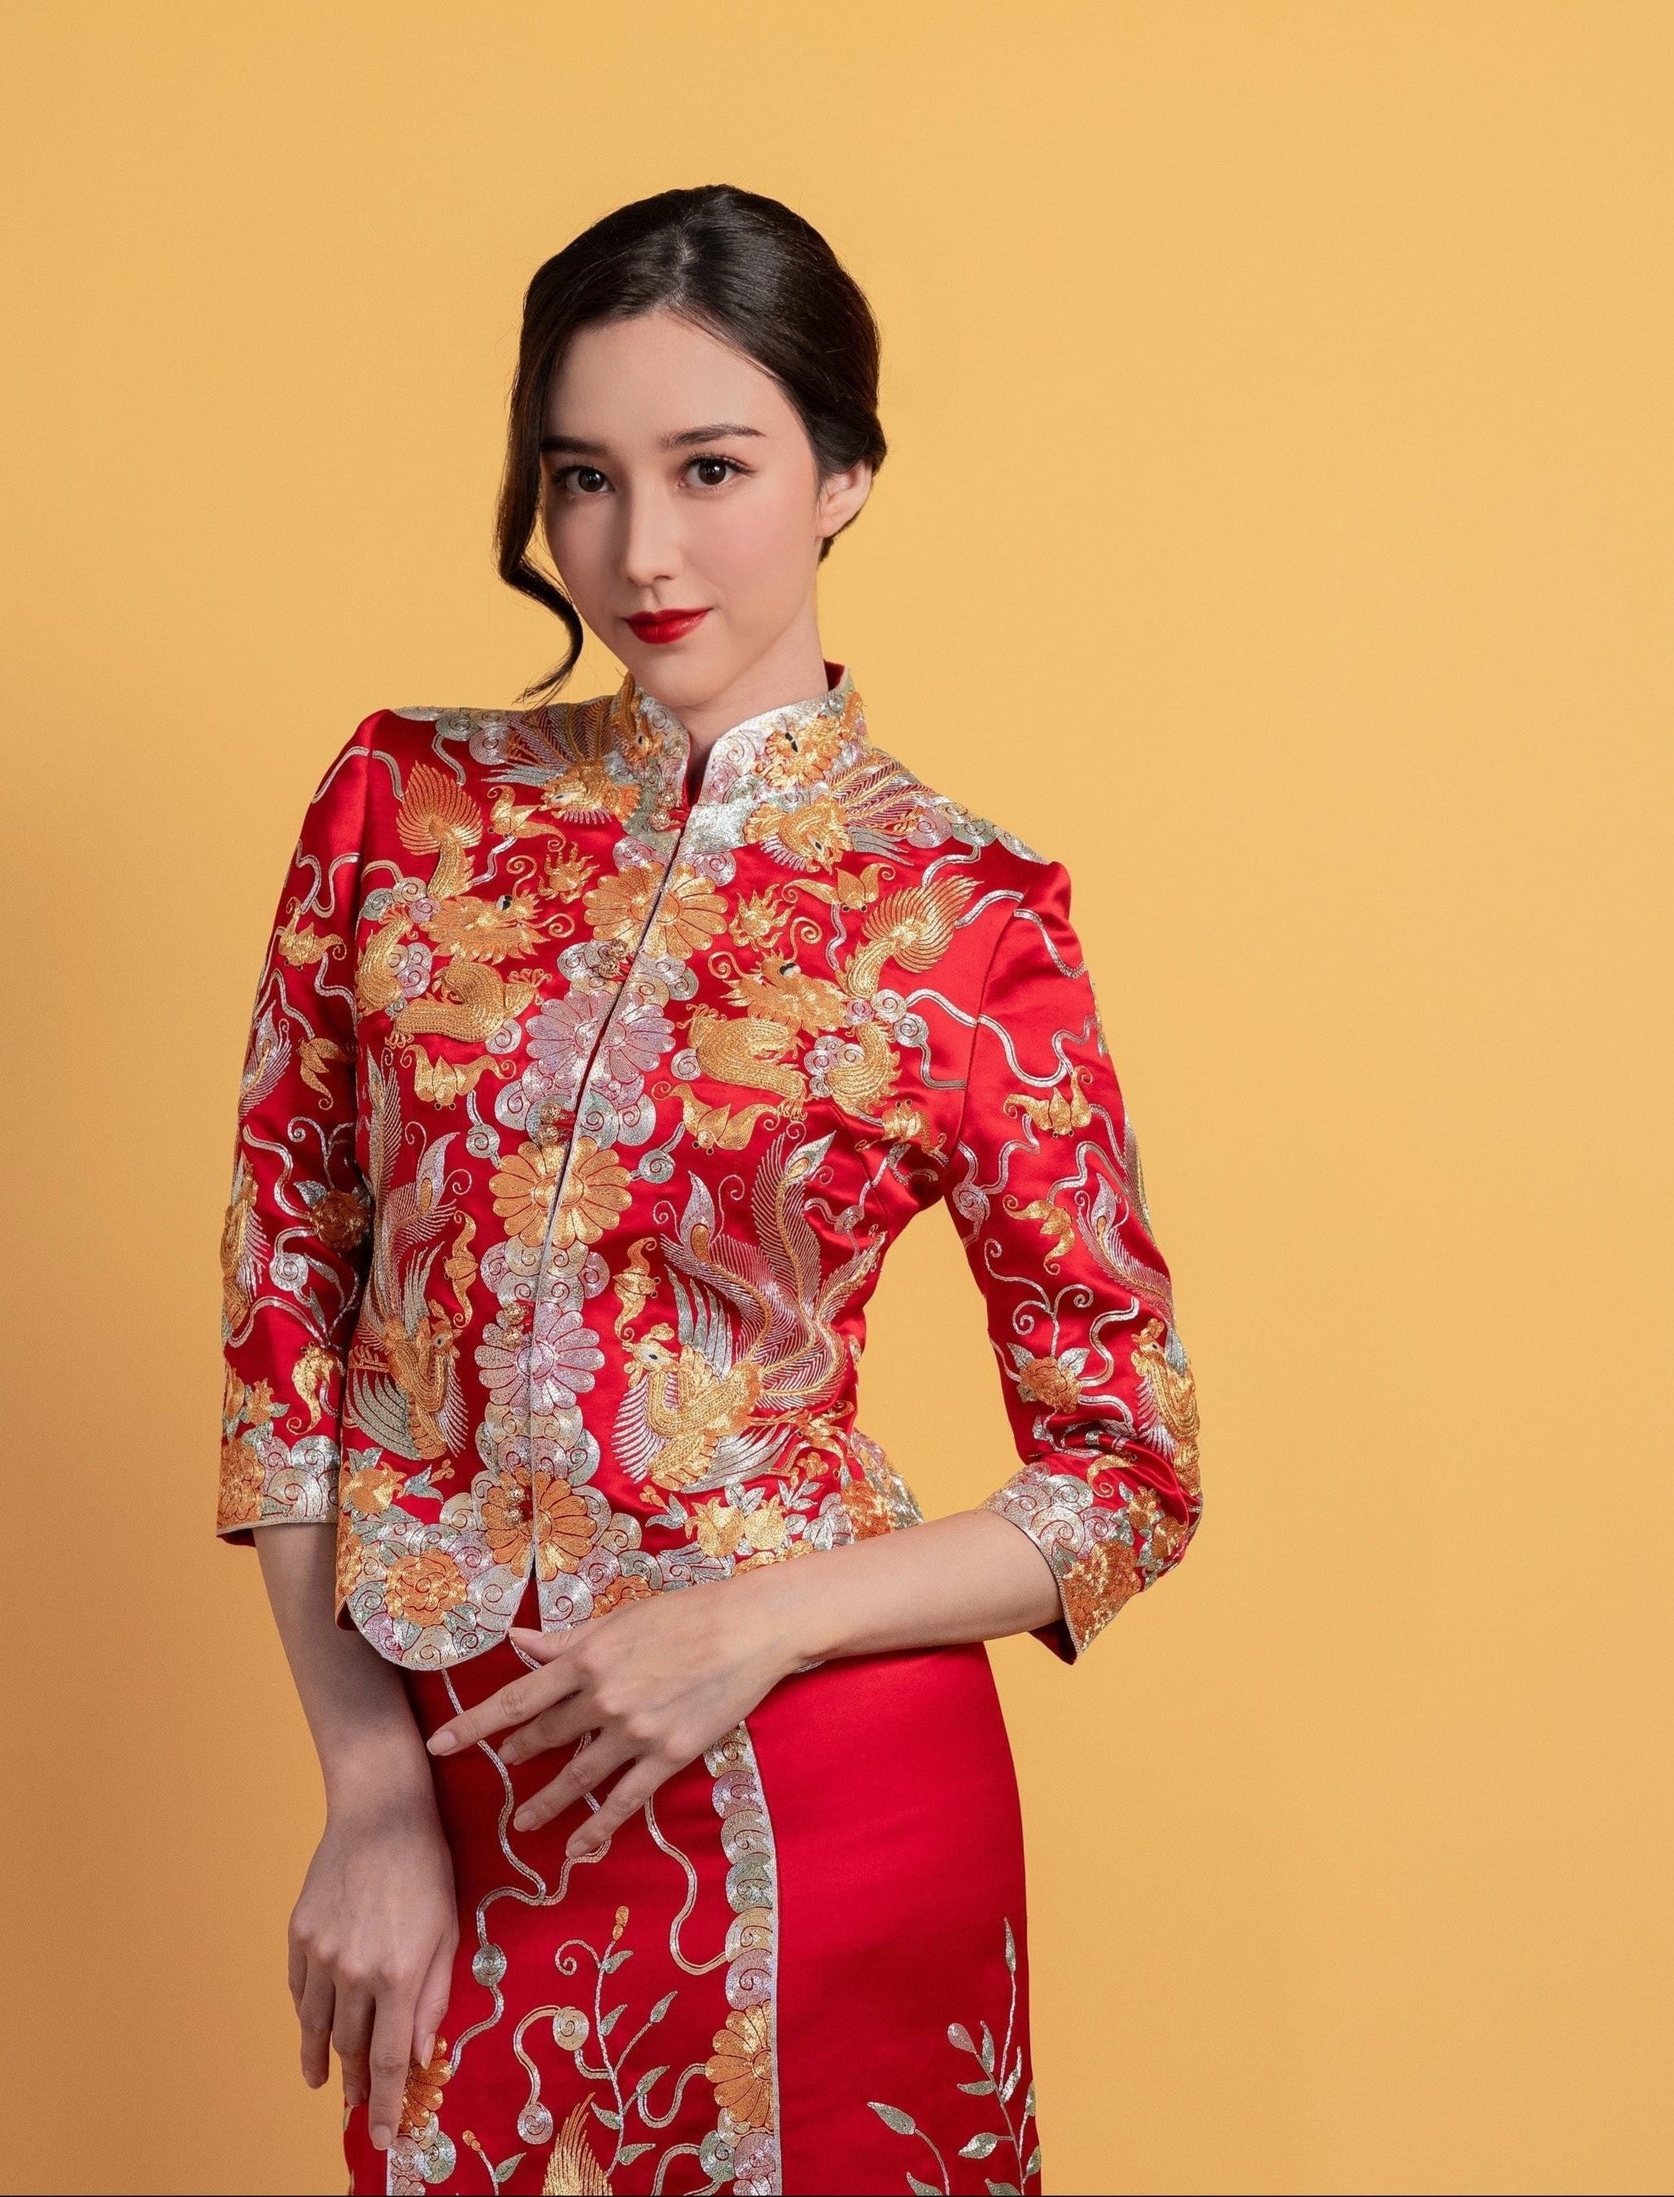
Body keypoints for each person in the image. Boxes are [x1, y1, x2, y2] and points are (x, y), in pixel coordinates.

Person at [217, 184, 1202, 2197]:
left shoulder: (963, 916)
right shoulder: (403, 808)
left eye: (714, 468)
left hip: (827, 1804)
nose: (641, 552)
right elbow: (285, 1311)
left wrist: (746, 1623)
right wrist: (370, 1783)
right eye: (584, 478)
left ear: (842, 475)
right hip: (464, 1803)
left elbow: (1129, 1474)